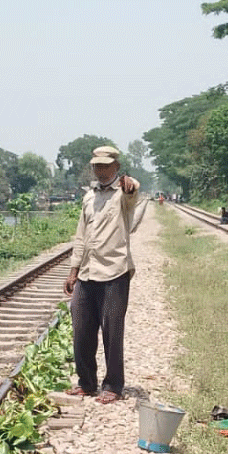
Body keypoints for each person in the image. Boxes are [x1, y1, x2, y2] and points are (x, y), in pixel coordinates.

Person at [63, 145, 140, 404]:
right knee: (82, 329)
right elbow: (81, 236)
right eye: (97, 166)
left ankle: (114, 385)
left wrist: (130, 185)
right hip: (87, 273)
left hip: (114, 272)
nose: (100, 170)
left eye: (106, 165)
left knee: (112, 330)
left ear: (116, 167)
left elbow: (132, 191)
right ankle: (86, 382)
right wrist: (73, 271)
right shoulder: (89, 197)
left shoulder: (123, 193)